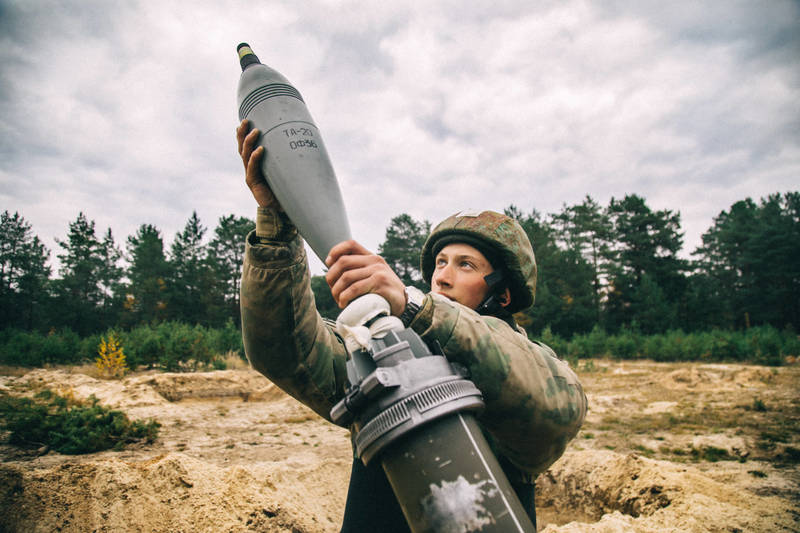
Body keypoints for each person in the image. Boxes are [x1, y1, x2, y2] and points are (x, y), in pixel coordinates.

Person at [236, 120, 587, 531]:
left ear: (502, 295)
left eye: (465, 265)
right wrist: (277, 225)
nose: (442, 277)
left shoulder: (528, 371)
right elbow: (282, 348)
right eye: (440, 263)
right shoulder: (378, 355)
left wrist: (414, 305)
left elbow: (558, 406)